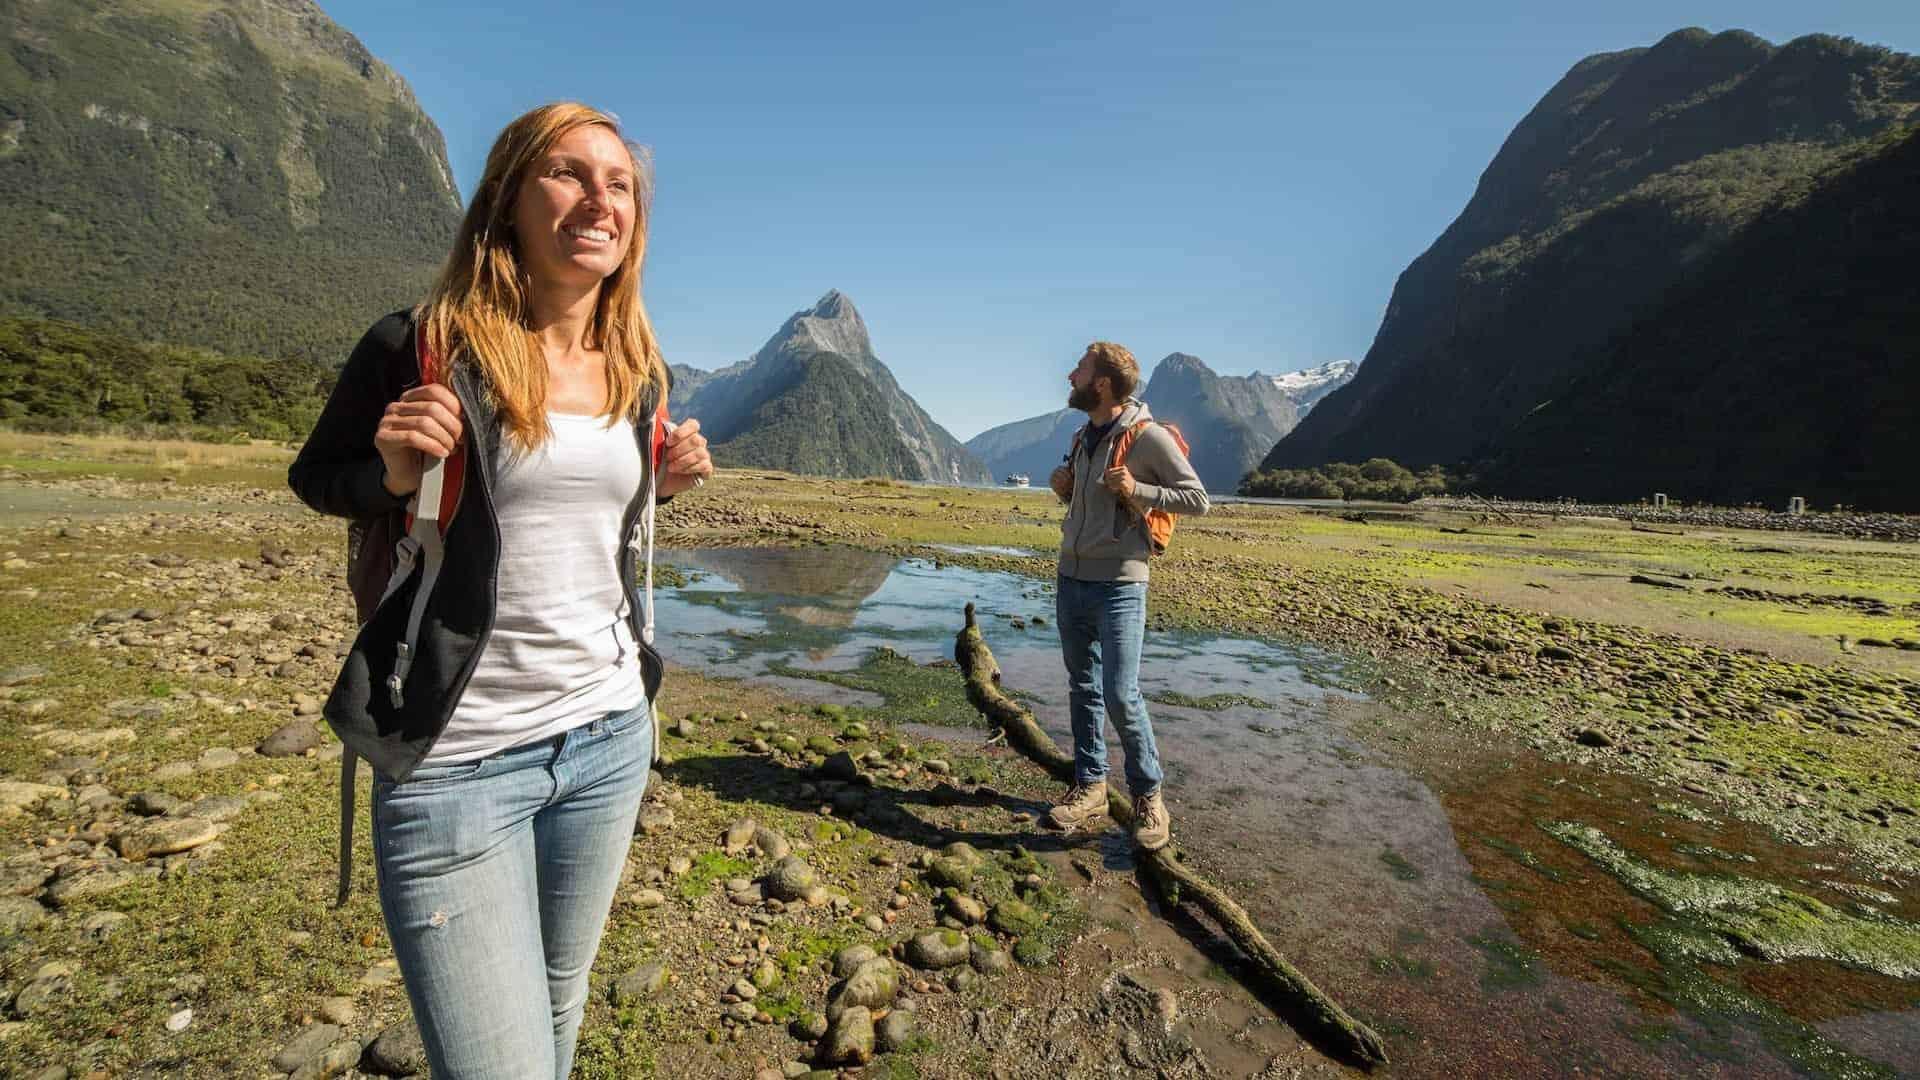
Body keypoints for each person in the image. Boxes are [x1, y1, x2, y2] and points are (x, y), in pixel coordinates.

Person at [288, 102, 712, 1079]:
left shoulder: (639, 370)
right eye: (568, 174)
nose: (598, 199)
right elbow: (320, 477)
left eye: (619, 184)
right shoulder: (418, 343)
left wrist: (663, 479)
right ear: (509, 200)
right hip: (457, 761)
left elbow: (591, 524)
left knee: (561, 1008)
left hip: (608, 737)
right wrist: (390, 478)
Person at [1045, 342, 1209, 849]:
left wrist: (1139, 489)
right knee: (1082, 688)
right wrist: (1064, 488)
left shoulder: (1149, 437)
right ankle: (1091, 786)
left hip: (1120, 585)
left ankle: (1149, 798)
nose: (1070, 374)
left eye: (1080, 370)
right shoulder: (1081, 436)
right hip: (1070, 579)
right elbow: (1088, 504)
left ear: (1101, 384)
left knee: (1120, 693)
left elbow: (1197, 499)